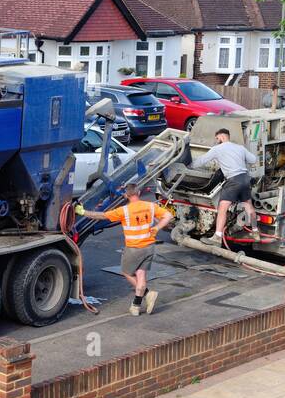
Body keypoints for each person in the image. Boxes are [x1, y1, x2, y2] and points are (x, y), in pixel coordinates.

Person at [76, 182, 172, 315]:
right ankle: (136, 306)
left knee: (127, 273)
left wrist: (83, 212)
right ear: (138, 193)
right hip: (149, 246)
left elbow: (102, 216)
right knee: (141, 274)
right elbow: (168, 216)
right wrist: (157, 227)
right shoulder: (151, 206)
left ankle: (148, 295)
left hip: (133, 248)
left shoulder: (124, 211)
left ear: (126, 195)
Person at [190, 128, 258, 246]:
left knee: (222, 208)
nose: (216, 141)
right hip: (245, 178)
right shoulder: (240, 148)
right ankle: (256, 232)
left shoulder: (218, 149)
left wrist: (189, 166)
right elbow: (253, 159)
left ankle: (217, 237)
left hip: (233, 180)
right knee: (248, 205)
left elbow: (202, 160)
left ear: (221, 136)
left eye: (217, 138)